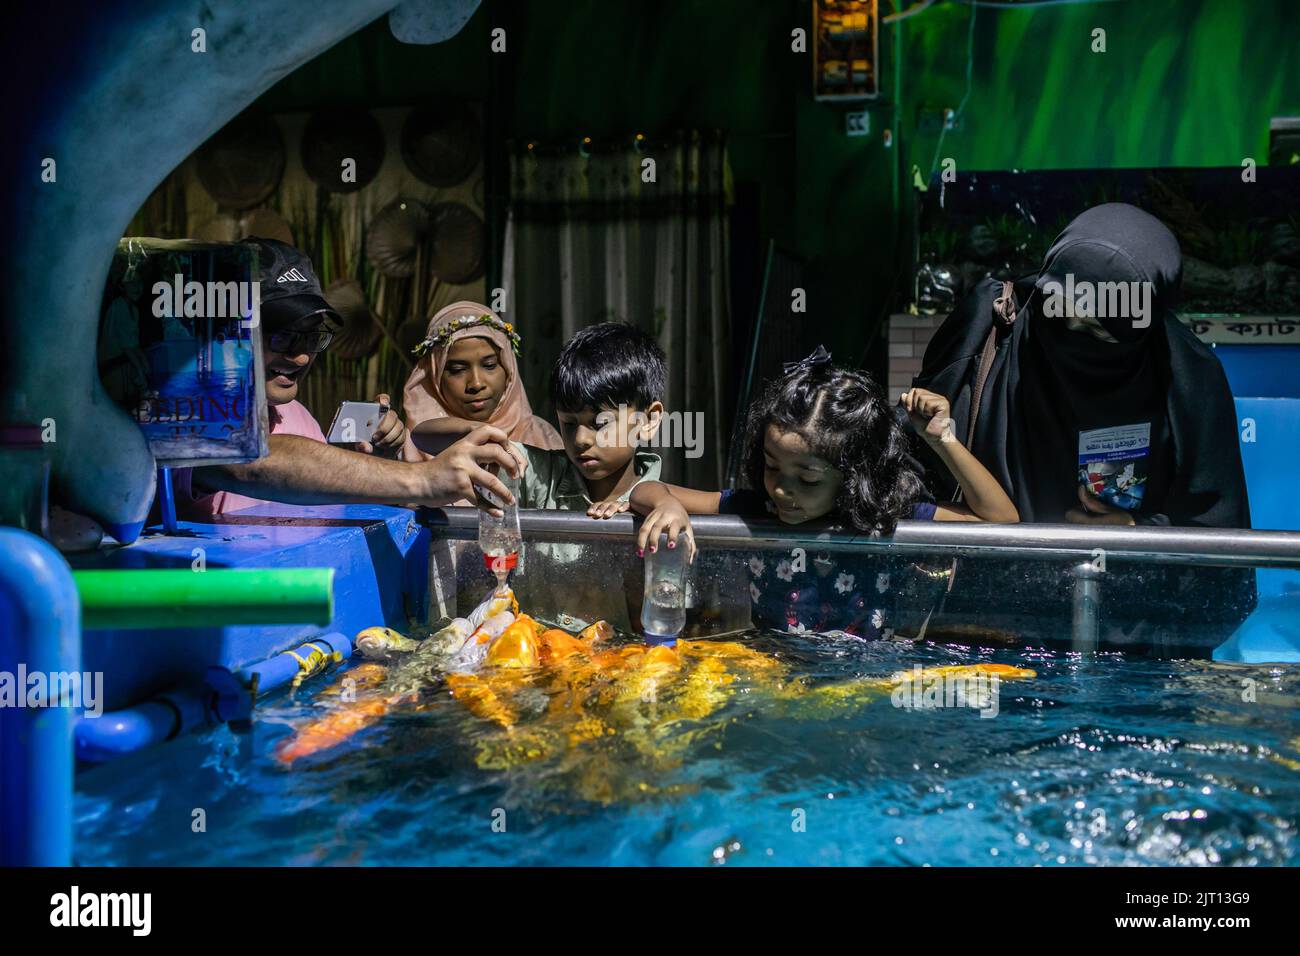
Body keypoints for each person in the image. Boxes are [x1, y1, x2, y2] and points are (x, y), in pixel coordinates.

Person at [629, 348, 1018, 636]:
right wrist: (667, 506)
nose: (782, 489)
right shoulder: (757, 508)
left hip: (866, 688)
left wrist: (941, 438)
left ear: (854, 477)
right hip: (779, 679)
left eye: (809, 479)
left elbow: (1000, 520)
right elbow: (645, 488)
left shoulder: (885, 515)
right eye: (772, 465)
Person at [912, 202, 1250, 528]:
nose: (1072, 331)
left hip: (1127, 579)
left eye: (1096, 330)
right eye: (1059, 314)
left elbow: (1216, 529)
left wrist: (1139, 529)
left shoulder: (1188, 379)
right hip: (988, 575)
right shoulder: (992, 325)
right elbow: (912, 461)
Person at [178, 238, 522, 518]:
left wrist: (384, 461)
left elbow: (323, 501)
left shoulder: (298, 417)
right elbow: (250, 460)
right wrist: (421, 477)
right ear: (228, 332)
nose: (300, 356)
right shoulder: (187, 414)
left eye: (312, 338)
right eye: (281, 336)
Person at [403, 301, 563, 475]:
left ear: (509, 369)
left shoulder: (541, 438)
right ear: (435, 375)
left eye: (490, 365)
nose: (476, 384)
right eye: (457, 370)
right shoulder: (411, 445)